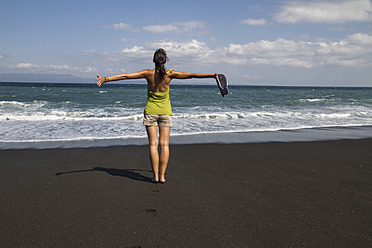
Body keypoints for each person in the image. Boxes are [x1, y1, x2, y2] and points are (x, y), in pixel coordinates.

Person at [97, 48, 218, 183]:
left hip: (150, 112)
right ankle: (162, 176)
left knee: (153, 145)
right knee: (164, 145)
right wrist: (213, 75)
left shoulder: (148, 73)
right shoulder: (170, 74)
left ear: (153, 61)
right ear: (165, 60)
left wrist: (105, 79)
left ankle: (155, 176)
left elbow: (126, 76)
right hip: (165, 113)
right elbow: (192, 75)